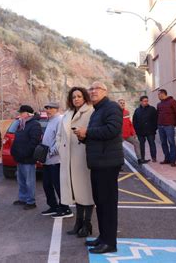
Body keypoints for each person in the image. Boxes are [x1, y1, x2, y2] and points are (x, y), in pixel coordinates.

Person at [74, 82, 123, 254]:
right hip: (99, 163)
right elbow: (97, 136)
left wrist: (87, 132)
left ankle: (110, 243)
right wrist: (83, 136)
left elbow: (112, 130)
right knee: (101, 203)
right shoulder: (97, 110)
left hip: (108, 163)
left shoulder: (112, 107)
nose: (93, 91)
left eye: (97, 88)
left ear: (105, 91)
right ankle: (103, 238)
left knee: (108, 204)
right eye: (91, 88)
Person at [56, 87, 94, 237]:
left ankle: (87, 223)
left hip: (83, 158)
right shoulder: (67, 114)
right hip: (68, 159)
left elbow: (94, 133)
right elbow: (59, 135)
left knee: (87, 192)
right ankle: (78, 223)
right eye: (73, 97)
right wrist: (60, 148)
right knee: (76, 192)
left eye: (79, 96)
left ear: (84, 97)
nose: (76, 99)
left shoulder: (91, 112)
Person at [40, 102, 72, 218]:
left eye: (50, 108)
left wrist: (51, 152)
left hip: (56, 160)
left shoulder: (60, 120)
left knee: (59, 185)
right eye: (46, 108)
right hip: (47, 160)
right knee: (47, 185)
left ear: (56, 109)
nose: (47, 110)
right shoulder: (51, 120)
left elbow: (62, 140)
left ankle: (65, 208)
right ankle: (53, 206)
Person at [11, 105, 43, 210]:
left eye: (21, 113)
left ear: (27, 113)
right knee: (21, 180)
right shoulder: (22, 124)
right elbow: (17, 139)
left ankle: (31, 202)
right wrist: (14, 151)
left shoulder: (34, 125)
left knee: (29, 182)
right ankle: (23, 199)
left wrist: (25, 153)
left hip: (28, 158)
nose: (20, 114)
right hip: (20, 158)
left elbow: (34, 141)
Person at [117, 99, 148, 164]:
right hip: (119, 135)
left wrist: (133, 133)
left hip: (128, 134)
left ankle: (139, 159)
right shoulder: (115, 113)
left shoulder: (127, 112)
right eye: (121, 103)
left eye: (123, 103)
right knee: (118, 149)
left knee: (136, 142)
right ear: (118, 104)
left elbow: (129, 123)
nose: (122, 104)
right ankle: (119, 164)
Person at [156, 89, 176, 167]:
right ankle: (167, 159)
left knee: (171, 142)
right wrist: (158, 124)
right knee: (163, 143)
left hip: (169, 126)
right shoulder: (159, 104)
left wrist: (174, 124)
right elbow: (158, 115)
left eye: (159, 94)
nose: (158, 96)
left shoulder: (172, 101)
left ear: (163, 94)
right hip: (160, 126)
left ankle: (173, 161)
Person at [133, 96, 158, 162]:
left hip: (150, 131)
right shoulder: (137, 110)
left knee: (152, 144)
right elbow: (134, 121)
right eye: (144, 101)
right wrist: (136, 129)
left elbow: (156, 120)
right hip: (140, 131)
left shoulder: (152, 109)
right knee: (141, 145)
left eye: (147, 101)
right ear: (141, 102)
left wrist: (154, 128)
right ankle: (142, 158)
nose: (146, 102)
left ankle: (154, 158)